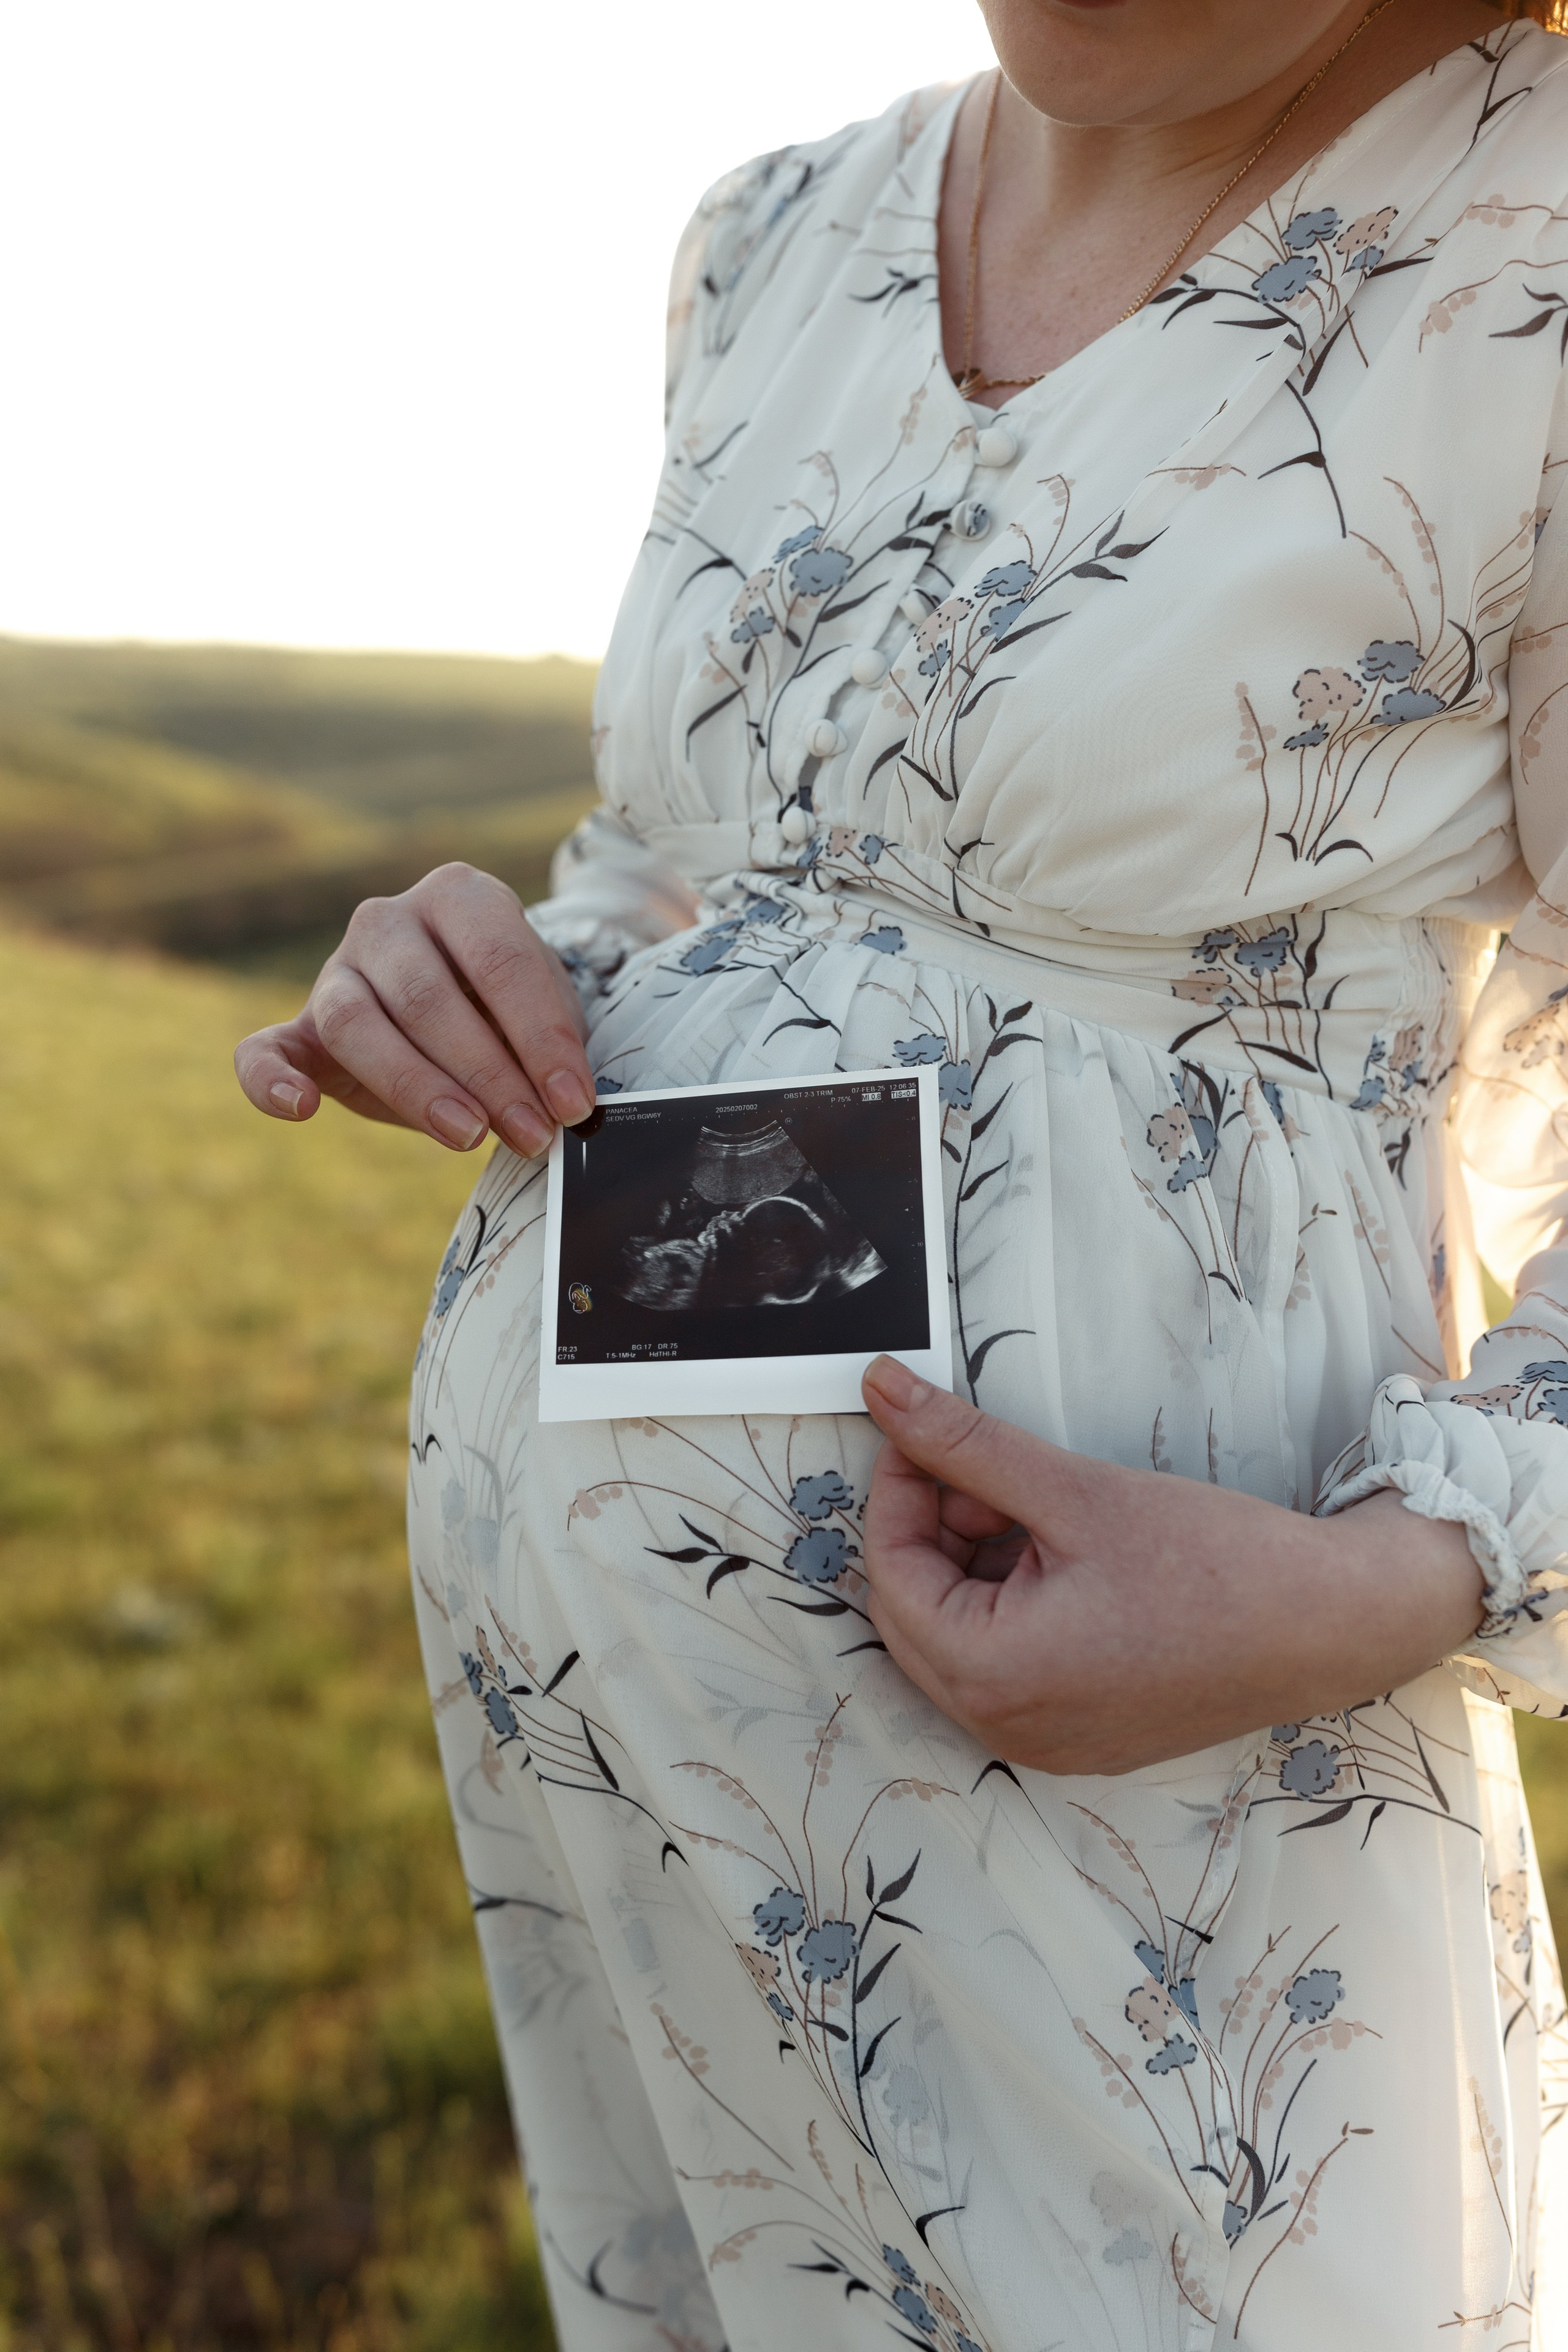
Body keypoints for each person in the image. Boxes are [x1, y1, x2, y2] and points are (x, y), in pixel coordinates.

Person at [235, 0, 1568, 2339]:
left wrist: (1396, 1582)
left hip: (1140, 1762)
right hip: (612, 1757)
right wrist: (477, 971)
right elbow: (701, 869)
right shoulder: (772, 232)